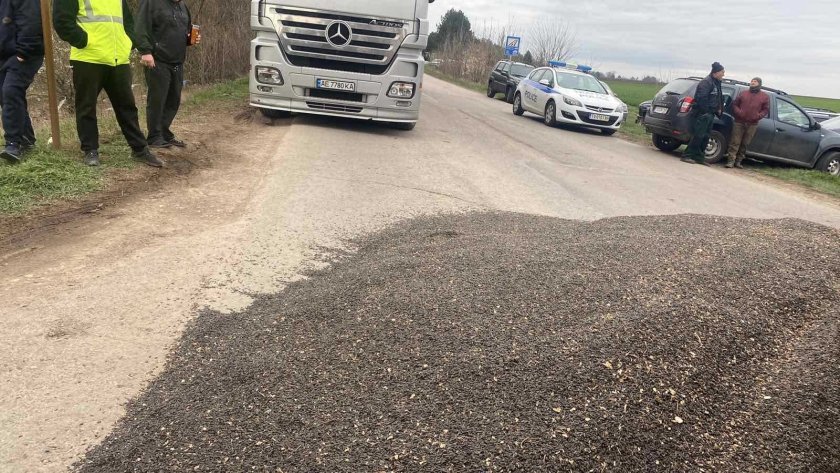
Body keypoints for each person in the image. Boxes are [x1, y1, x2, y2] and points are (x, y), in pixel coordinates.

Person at [53, 0, 163, 167]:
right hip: (88, 58)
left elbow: (128, 22)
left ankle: (140, 149)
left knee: (127, 107)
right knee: (86, 107)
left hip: (118, 59)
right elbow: (62, 21)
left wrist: (129, 42)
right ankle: (90, 150)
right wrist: (84, 41)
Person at [135, 0, 198, 149]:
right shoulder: (151, 3)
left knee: (173, 100)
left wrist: (191, 39)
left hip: (177, 60)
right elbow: (140, 28)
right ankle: (154, 136)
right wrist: (145, 51)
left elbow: (185, 31)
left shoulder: (183, 7)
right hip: (157, 60)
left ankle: (164, 132)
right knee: (158, 99)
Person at [0, 0, 44, 164]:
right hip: (4, 55)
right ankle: (26, 139)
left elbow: (31, 21)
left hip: (25, 53)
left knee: (11, 90)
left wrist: (23, 52)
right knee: (6, 95)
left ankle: (13, 144)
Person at [682, 62, 725, 166]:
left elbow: (718, 97)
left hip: (711, 113)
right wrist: (705, 111)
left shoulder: (716, 83)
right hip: (703, 113)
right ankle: (687, 155)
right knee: (698, 135)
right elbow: (701, 98)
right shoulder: (706, 82)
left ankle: (699, 157)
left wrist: (719, 109)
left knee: (705, 136)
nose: (723, 74)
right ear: (716, 72)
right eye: (722, 72)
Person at [726, 77, 769, 169]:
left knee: (745, 143)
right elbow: (734, 104)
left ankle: (738, 162)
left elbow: (766, 109)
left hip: (752, 124)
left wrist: (758, 116)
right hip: (739, 122)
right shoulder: (743, 93)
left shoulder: (764, 96)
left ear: (759, 84)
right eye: (752, 81)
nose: (752, 83)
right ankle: (730, 161)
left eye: (755, 81)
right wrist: (739, 112)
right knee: (735, 142)